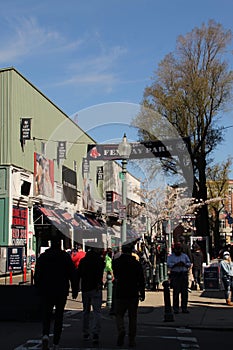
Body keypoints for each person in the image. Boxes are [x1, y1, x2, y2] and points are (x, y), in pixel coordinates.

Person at [34, 237, 76, 350]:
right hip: (61, 290)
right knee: (59, 316)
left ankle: (45, 335)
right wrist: (75, 289)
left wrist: (37, 288)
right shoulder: (65, 257)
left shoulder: (43, 257)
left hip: (46, 290)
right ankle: (56, 342)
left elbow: (37, 274)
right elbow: (72, 274)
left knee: (46, 315)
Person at [112, 244, 145, 348]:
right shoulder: (136, 264)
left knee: (119, 314)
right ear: (131, 251)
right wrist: (142, 292)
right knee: (132, 317)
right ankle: (131, 339)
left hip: (120, 291)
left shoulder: (116, 262)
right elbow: (141, 279)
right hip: (133, 292)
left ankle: (121, 329)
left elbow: (116, 275)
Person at [72, 248, 105, 346]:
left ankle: (85, 332)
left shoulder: (83, 261)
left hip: (86, 288)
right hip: (96, 288)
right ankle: (95, 332)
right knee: (97, 312)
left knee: (86, 311)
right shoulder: (99, 261)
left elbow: (78, 275)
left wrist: (75, 289)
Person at [167, 242, 191, 314]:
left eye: (179, 249)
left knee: (184, 293)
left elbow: (189, 263)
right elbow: (168, 264)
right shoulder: (171, 257)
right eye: (177, 249)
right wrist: (175, 264)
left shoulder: (184, 256)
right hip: (175, 275)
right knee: (176, 293)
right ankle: (176, 309)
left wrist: (185, 264)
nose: (178, 250)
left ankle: (184, 308)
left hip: (183, 274)